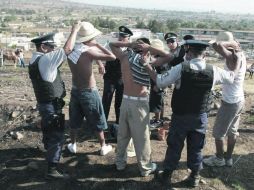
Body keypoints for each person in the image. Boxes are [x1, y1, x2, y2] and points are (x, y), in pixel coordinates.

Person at [140, 39, 240, 188]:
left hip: (180, 116)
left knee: (174, 145)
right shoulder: (214, 70)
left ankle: (167, 175)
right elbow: (232, 78)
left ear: (189, 53)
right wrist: (237, 63)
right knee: (197, 146)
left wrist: (146, 65)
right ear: (204, 54)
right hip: (200, 117)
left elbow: (160, 82)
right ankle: (194, 176)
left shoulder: (181, 68)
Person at [28, 21, 81, 179]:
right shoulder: (45, 60)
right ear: (43, 47)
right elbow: (67, 49)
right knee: (57, 136)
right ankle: (52, 169)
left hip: (44, 103)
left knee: (49, 131)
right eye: (51, 47)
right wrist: (75, 30)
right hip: (50, 105)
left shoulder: (34, 59)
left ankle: (49, 154)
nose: (53, 50)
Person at [109, 37, 168, 177]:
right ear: (145, 48)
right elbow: (168, 56)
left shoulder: (124, 57)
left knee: (123, 135)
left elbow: (111, 44)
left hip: (125, 100)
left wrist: (130, 43)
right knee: (142, 138)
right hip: (139, 103)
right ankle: (145, 168)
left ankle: (120, 163)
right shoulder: (146, 62)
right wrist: (149, 48)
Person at [67, 22, 116, 156]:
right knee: (97, 118)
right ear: (89, 39)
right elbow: (112, 57)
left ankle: (73, 144)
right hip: (89, 91)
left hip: (75, 90)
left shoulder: (72, 51)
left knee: (74, 119)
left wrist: (99, 63)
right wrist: (98, 45)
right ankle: (103, 146)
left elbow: (90, 57)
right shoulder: (89, 52)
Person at [203, 32, 246, 167]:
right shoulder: (239, 55)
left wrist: (227, 44)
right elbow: (218, 47)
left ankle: (219, 159)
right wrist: (232, 44)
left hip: (230, 102)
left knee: (218, 133)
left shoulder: (232, 57)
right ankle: (228, 158)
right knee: (232, 131)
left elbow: (218, 45)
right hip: (238, 99)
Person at [102, 26, 133, 124]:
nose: (121, 38)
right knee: (106, 101)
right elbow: (98, 54)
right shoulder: (110, 45)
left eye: (124, 36)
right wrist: (100, 65)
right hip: (109, 78)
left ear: (128, 38)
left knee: (120, 103)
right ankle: (103, 123)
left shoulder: (130, 50)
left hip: (122, 80)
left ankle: (119, 124)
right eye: (120, 35)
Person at [149, 39, 167, 128]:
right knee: (160, 101)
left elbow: (163, 74)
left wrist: (158, 85)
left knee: (157, 102)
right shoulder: (159, 57)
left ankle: (158, 120)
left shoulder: (161, 60)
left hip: (158, 84)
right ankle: (160, 118)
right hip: (157, 83)